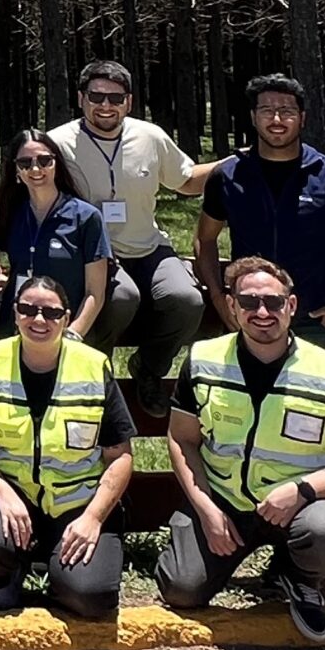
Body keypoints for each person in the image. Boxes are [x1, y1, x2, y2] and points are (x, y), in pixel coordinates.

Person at [157, 258, 325, 642]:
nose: (261, 312)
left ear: (291, 306)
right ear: (231, 306)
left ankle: (301, 578)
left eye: (273, 302)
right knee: (182, 589)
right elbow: (182, 439)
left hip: (303, 507)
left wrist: (303, 490)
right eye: (248, 302)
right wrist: (207, 509)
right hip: (225, 504)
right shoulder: (201, 361)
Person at [0, 277, 137, 617]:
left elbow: (120, 456)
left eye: (51, 312)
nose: (39, 319)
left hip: (76, 502)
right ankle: (7, 574)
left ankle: (58, 575)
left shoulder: (93, 366)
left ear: (66, 318)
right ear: (15, 313)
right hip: (9, 493)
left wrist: (93, 517)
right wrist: (2, 491)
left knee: (91, 598)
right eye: (28, 309)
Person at [47, 61, 214, 412]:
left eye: (115, 98)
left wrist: (233, 163)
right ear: (81, 98)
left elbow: (185, 181)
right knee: (122, 297)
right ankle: (94, 374)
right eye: (96, 97)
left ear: (129, 101)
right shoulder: (59, 143)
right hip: (95, 253)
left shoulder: (150, 136)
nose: (105, 105)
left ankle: (149, 368)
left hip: (149, 246)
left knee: (187, 300)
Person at [196, 73, 325, 354]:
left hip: (317, 324)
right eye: (266, 110)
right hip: (252, 317)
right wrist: (220, 299)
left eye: (287, 111)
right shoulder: (227, 176)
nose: (277, 119)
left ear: (302, 118)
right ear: (253, 117)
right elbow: (204, 239)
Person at [0, 129, 111, 343]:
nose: (35, 169)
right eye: (25, 163)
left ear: (56, 163)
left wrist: (73, 334)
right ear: (16, 170)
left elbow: (95, 292)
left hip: (65, 330)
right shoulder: (13, 212)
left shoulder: (86, 217)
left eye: (44, 160)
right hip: (15, 329)